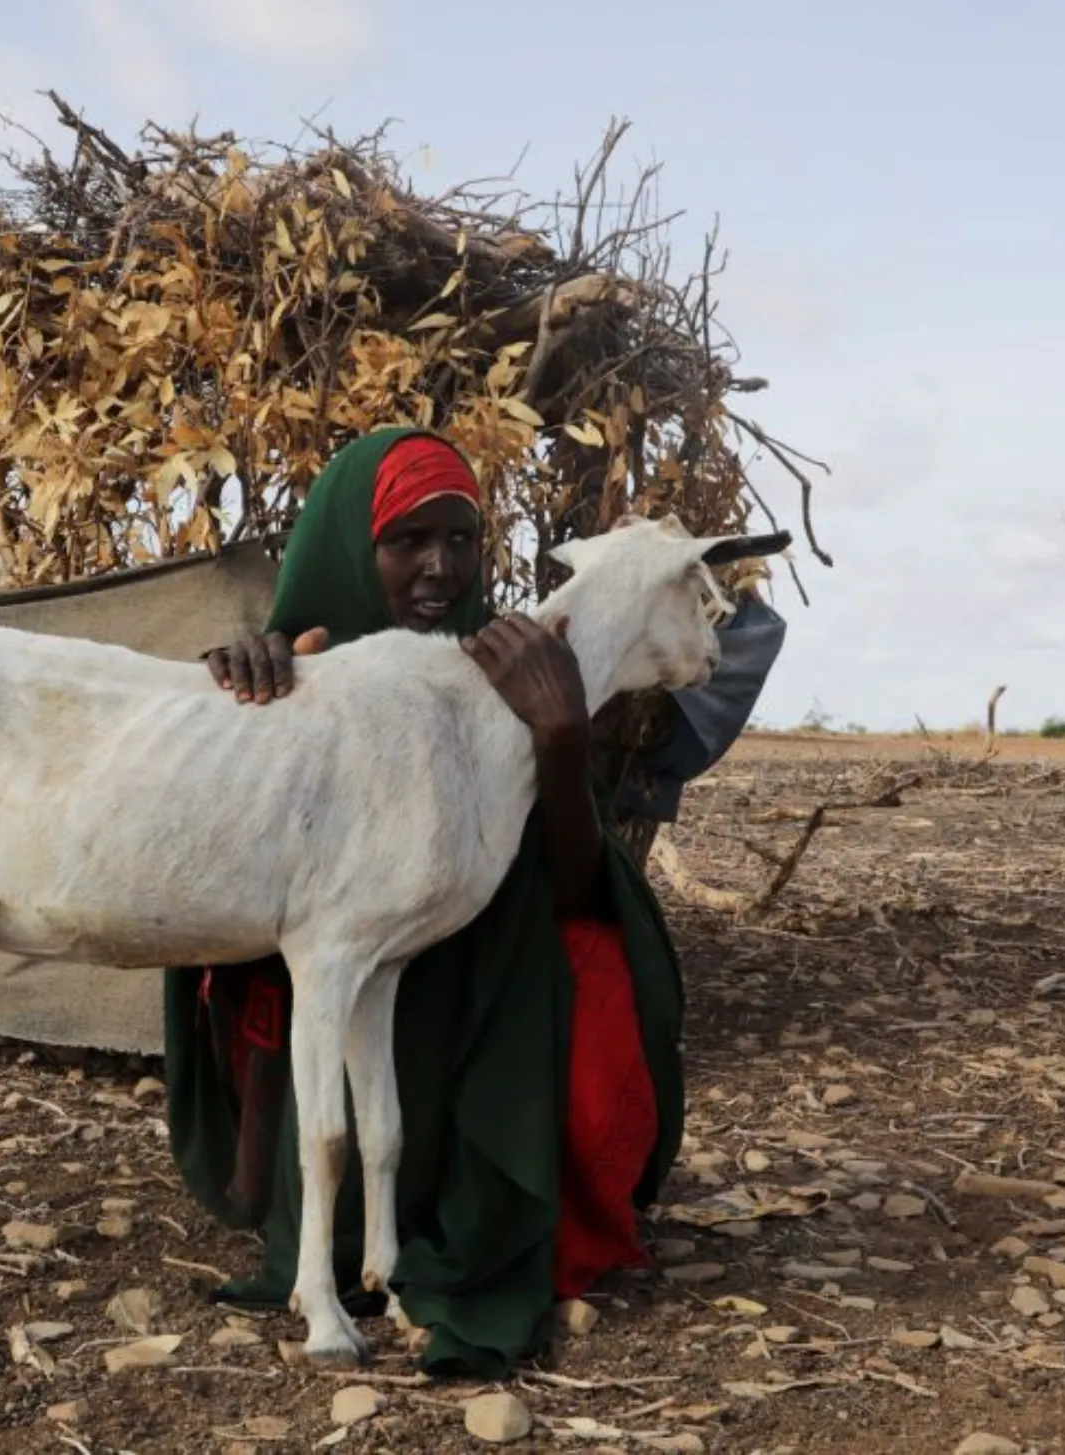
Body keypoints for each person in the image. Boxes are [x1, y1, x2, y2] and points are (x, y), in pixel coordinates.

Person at [160, 425, 688, 1377]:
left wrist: (561, 733)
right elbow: (202, 866)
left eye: (463, 539)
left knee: (604, 959)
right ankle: (312, 1217)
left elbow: (575, 890)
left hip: (473, 1016)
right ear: (349, 551)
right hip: (327, 1026)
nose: (440, 569)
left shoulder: (507, 670)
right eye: (408, 542)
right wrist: (230, 704)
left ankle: (496, 1199)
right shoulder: (279, 672)